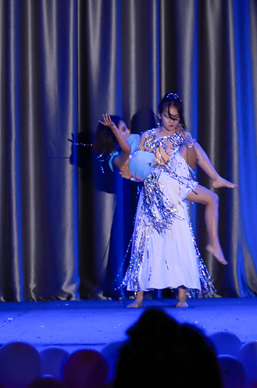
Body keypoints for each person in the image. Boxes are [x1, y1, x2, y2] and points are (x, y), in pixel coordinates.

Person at [103, 93, 234, 307]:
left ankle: (182, 298)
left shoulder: (181, 135)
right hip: (154, 189)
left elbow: (180, 163)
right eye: (167, 116)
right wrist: (130, 169)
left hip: (173, 185)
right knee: (145, 241)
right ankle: (139, 297)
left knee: (179, 239)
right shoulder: (145, 137)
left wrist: (182, 147)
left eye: (175, 117)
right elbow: (136, 160)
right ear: (159, 115)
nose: (171, 121)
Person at [94, 111, 237, 268]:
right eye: (123, 130)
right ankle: (213, 244)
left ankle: (215, 180)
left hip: (166, 171)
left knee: (191, 144)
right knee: (211, 198)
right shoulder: (115, 159)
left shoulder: (136, 139)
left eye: (126, 128)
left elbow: (154, 146)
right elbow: (126, 151)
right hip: (159, 183)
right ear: (113, 136)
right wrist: (113, 128)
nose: (128, 131)